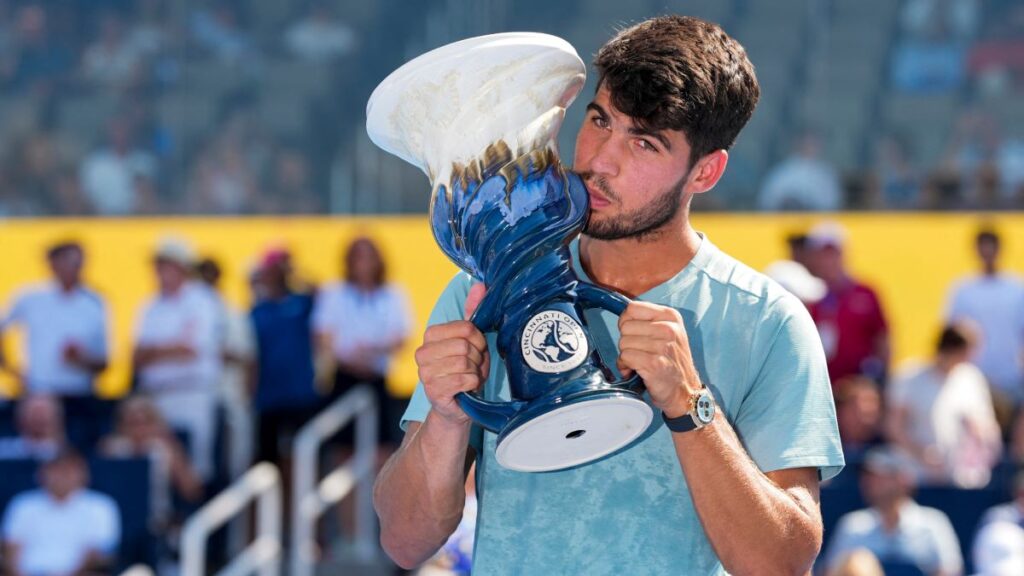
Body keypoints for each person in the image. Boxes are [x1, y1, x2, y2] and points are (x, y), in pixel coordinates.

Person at [374, 16, 844, 574]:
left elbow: (781, 564)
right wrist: (448, 421)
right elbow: (403, 542)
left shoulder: (766, 321)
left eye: (644, 142)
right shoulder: (481, 290)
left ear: (706, 172)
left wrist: (691, 403)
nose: (600, 160)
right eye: (599, 120)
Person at [132, 238, 222, 482]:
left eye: (166, 264)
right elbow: (138, 356)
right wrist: (169, 348)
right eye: (158, 265)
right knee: (157, 466)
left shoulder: (202, 300)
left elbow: (191, 349)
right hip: (157, 396)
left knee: (195, 469)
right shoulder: (149, 306)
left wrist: (155, 352)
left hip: (192, 394)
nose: (160, 271)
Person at [313, 237, 413, 448]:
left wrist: (372, 351)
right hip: (343, 378)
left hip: (377, 380)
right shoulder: (335, 293)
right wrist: (348, 357)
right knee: (343, 447)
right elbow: (322, 335)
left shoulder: (392, 294)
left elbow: (401, 336)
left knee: (382, 448)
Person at [886, 323, 1001, 488]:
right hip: (915, 477)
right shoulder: (908, 376)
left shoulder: (972, 377)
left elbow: (985, 425)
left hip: (962, 480)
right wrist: (921, 453)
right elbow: (894, 426)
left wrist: (982, 438)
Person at [824, 448, 963, 576]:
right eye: (868, 477)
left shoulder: (934, 523)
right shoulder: (852, 525)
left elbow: (951, 571)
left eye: (881, 477)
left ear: (903, 479)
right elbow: (830, 572)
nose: (870, 483)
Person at [0, 241, 108, 396]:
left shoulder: (95, 302)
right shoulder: (31, 298)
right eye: (69, 261)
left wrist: (81, 359)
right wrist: (9, 369)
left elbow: (104, 361)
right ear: (52, 263)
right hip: (39, 391)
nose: (75, 268)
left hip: (80, 393)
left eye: (78, 263)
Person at [250, 248, 321, 465]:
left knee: (306, 458)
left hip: (301, 394)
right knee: (268, 460)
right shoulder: (257, 311)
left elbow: (320, 291)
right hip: (268, 397)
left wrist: (293, 271)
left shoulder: (302, 302)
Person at [1, 450, 121, 576]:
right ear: (41, 474)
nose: (62, 476)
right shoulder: (23, 504)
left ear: (84, 475)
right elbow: (10, 549)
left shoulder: (100, 505)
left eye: (69, 471)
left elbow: (98, 553)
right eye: (56, 470)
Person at [945, 229, 1024, 414]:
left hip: (1011, 377)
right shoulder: (963, 290)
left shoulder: (1016, 289)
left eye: (991, 247)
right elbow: (953, 332)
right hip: (973, 378)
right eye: (983, 248)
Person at [806, 222, 891, 384]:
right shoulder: (806, 293)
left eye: (833, 253)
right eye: (823, 254)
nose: (828, 260)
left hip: (859, 386)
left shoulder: (865, 292)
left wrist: (883, 376)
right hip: (820, 383)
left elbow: (882, 337)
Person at [99, 395, 203, 505]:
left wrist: (174, 455)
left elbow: (192, 493)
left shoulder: (166, 448)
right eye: (133, 423)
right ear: (120, 426)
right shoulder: (110, 449)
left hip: (160, 518)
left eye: (146, 423)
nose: (140, 430)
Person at [758, 131, 843, 211]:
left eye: (812, 143)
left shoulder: (825, 175)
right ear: (797, 143)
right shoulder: (783, 173)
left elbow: (833, 204)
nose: (809, 146)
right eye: (806, 142)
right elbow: (768, 201)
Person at [0, 394, 65, 460]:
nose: (38, 418)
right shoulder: (6, 451)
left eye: (43, 413)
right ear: (21, 418)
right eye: (34, 413)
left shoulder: (65, 454)